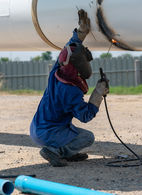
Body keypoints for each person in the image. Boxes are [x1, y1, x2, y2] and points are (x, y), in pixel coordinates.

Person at [30, 9, 109, 167]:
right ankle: (55, 151)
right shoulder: (71, 90)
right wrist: (98, 93)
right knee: (87, 137)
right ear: (80, 66)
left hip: (38, 127)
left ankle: (67, 153)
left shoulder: (57, 71)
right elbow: (86, 116)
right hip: (49, 133)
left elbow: (69, 49)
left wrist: (81, 32)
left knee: (70, 127)